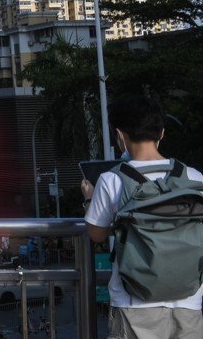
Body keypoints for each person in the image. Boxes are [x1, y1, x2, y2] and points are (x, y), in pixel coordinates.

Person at [83, 96, 203, 338]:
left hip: (134, 305)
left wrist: (89, 198)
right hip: (188, 301)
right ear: (162, 133)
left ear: (119, 135)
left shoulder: (112, 180)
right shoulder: (194, 177)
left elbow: (96, 234)